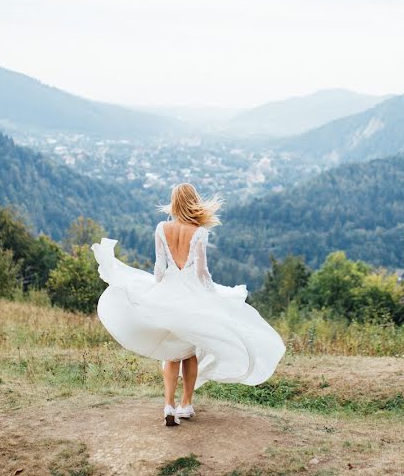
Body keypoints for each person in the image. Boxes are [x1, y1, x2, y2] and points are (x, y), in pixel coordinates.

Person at [90, 182, 286, 427]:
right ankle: (186, 404)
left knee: (171, 354)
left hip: (167, 291)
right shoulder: (199, 232)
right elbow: (202, 272)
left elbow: (159, 268)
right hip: (191, 293)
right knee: (190, 352)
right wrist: (212, 295)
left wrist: (156, 290)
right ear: (193, 201)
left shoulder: (162, 228)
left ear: (174, 202)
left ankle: (168, 405)